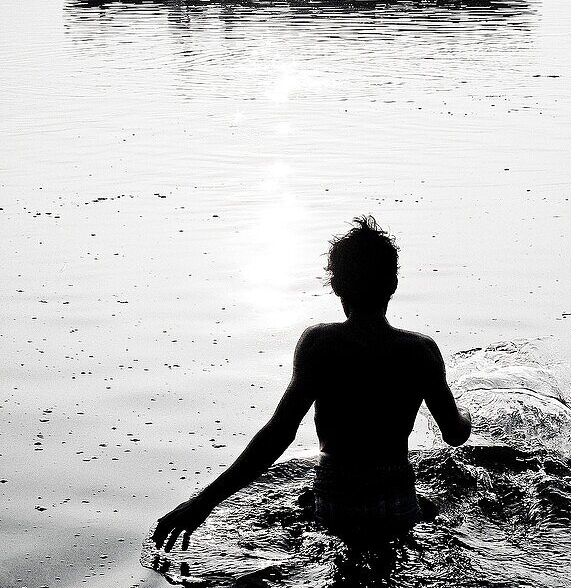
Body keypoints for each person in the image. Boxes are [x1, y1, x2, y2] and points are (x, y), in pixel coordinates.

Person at [152, 216, 472, 551]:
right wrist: (465, 411)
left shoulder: (320, 343)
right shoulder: (420, 351)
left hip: (335, 501)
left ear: (335, 286)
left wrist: (204, 502)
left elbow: (278, 433)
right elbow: (455, 434)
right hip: (396, 503)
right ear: (392, 284)